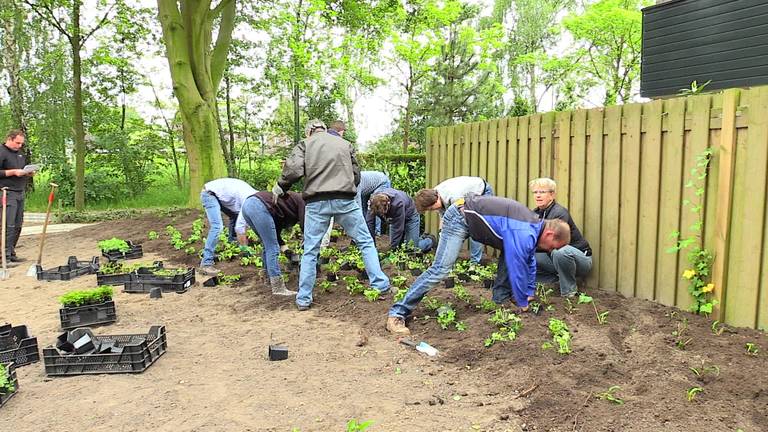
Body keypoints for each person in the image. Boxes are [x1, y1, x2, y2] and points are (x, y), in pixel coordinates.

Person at [386, 194, 570, 335]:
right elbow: (517, 269)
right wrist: (523, 301)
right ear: (550, 235)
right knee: (440, 269)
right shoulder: (523, 231)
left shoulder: (532, 228)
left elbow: (528, 260)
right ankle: (397, 313)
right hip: (459, 217)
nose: (550, 251)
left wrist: (529, 292)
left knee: (511, 254)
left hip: (468, 214)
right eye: (554, 247)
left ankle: (500, 300)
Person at [274, 119, 390, 311]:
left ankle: (303, 299)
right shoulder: (345, 144)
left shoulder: (305, 144)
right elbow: (356, 174)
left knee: (311, 249)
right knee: (365, 242)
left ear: (310, 132)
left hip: (316, 202)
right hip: (345, 200)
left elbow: (293, 170)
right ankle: (380, 284)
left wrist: (281, 187)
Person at [528, 178, 592, 297]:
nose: (537, 195)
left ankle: (569, 293)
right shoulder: (534, 214)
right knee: (525, 254)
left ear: (552, 194)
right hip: (552, 257)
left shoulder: (559, 213)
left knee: (560, 251)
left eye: (542, 192)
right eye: (535, 192)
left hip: (580, 258)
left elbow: (551, 244)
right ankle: (553, 281)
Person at [238, 191, 304, 296]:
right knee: (272, 248)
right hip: (259, 206)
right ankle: (278, 288)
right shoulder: (303, 201)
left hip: (248, 206)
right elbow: (305, 225)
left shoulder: (284, 207)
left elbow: (275, 234)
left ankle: (267, 278)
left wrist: (287, 250)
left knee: (267, 244)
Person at [414, 176, 494, 263]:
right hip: (461, 196)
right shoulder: (433, 195)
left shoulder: (454, 197)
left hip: (482, 191)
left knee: (474, 228)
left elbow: (461, 222)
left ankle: (475, 263)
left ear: (436, 201)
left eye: (431, 209)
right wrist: (442, 232)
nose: (432, 210)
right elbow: (444, 217)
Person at [199, 177, 257, 276]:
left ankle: (232, 244)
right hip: (209, 194)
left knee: (235, 216)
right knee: (217, 227)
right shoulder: (248, 200)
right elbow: (240, 227)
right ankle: (206, 263)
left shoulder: (254, 196)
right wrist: (244, 247)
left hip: (219, 194)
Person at [0, 129, 35, 263]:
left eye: (21, 144)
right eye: (17, 143)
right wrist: (13, 172)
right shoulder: (1, 151)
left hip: (19, 191)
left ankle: (11, 252)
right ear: (9, 139)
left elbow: (21, 169)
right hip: (6, 192)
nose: (19, 146)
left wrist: (28, 173)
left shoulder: (20, 154)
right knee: (7, 225)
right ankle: (3, 256)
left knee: (17, 224)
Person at [367, 188, 434, 252]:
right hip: (395, 218)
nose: (382, 216)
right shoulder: (373, 202)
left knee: (411, 249)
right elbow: (370, 223)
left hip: (410, 217)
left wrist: (392, 251)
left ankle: (430, 240)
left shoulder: (398, 203)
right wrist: (371, 246)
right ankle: (416, 238)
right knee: (399, 246)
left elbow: (398, 229)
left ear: (388, 204)